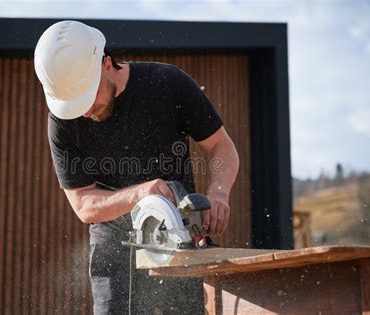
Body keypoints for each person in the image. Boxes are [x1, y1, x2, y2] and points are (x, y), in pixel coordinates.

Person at [34, 20, 240, 314]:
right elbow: (83, 205)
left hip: (178, 238)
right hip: (112, 250)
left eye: (88, 97)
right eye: (75, 104)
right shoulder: (62, 122)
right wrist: (140, 194)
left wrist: (219, 193)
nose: (84, 111)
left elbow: (223, 146)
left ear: (106, 64)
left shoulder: (167, 83)